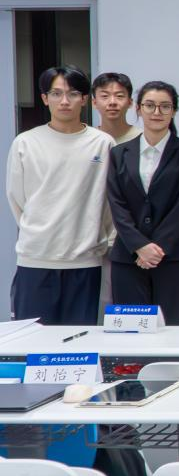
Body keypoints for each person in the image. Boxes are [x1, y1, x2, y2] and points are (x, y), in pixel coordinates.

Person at [6, 65, 114, 324]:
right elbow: (17, 199)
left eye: (73, 93)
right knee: (34, 340)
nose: (64, 101)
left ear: (85, 99)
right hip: (36, 259)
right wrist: (40, 233)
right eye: (56, 94)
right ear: (45, 98)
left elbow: (110, 203)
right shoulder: (26, 143)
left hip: (85, 260)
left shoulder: (103, 143)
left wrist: (99, 239)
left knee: (80, 339)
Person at [106, 81, 179, 325]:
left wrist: (156, 248)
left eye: (165, 106)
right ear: (138, 108)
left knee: (175, 330)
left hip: (174, 255)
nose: (157, 112)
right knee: (130, 332)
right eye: (149, 105)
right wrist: (139, 245)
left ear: (174, 111)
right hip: (128, 256)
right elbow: (117, 204)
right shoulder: (119, 153)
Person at [91, 72, 141, 143]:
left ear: (130, 103)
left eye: (119, 96)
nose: (112, 102)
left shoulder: (142, 139)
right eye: (105, 96)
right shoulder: (89, 140)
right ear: (94, 103)